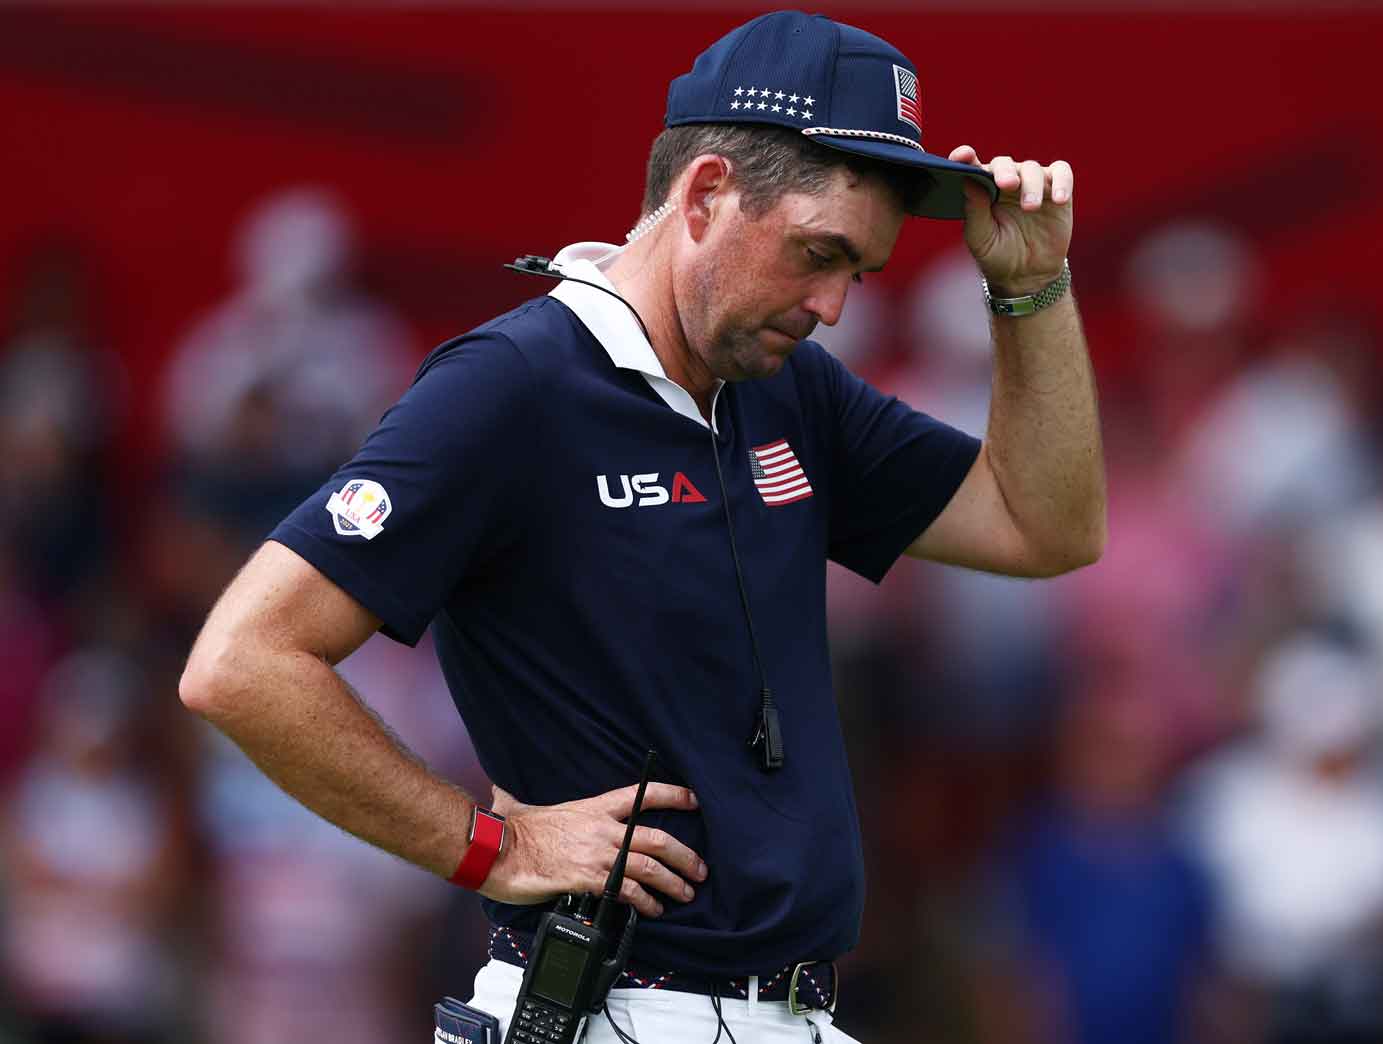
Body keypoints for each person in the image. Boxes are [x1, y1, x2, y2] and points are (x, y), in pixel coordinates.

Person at [176, 10, 1103, 1044]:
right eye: (816, 253)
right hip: (606, 1007)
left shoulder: (790, 386)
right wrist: (487, 846)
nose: (834, 306)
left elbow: (1044, 528)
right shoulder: (513, 387)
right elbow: (241, 660)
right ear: (705, 193)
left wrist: (1030, 292)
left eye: (859, 272)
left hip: (788, 1014)